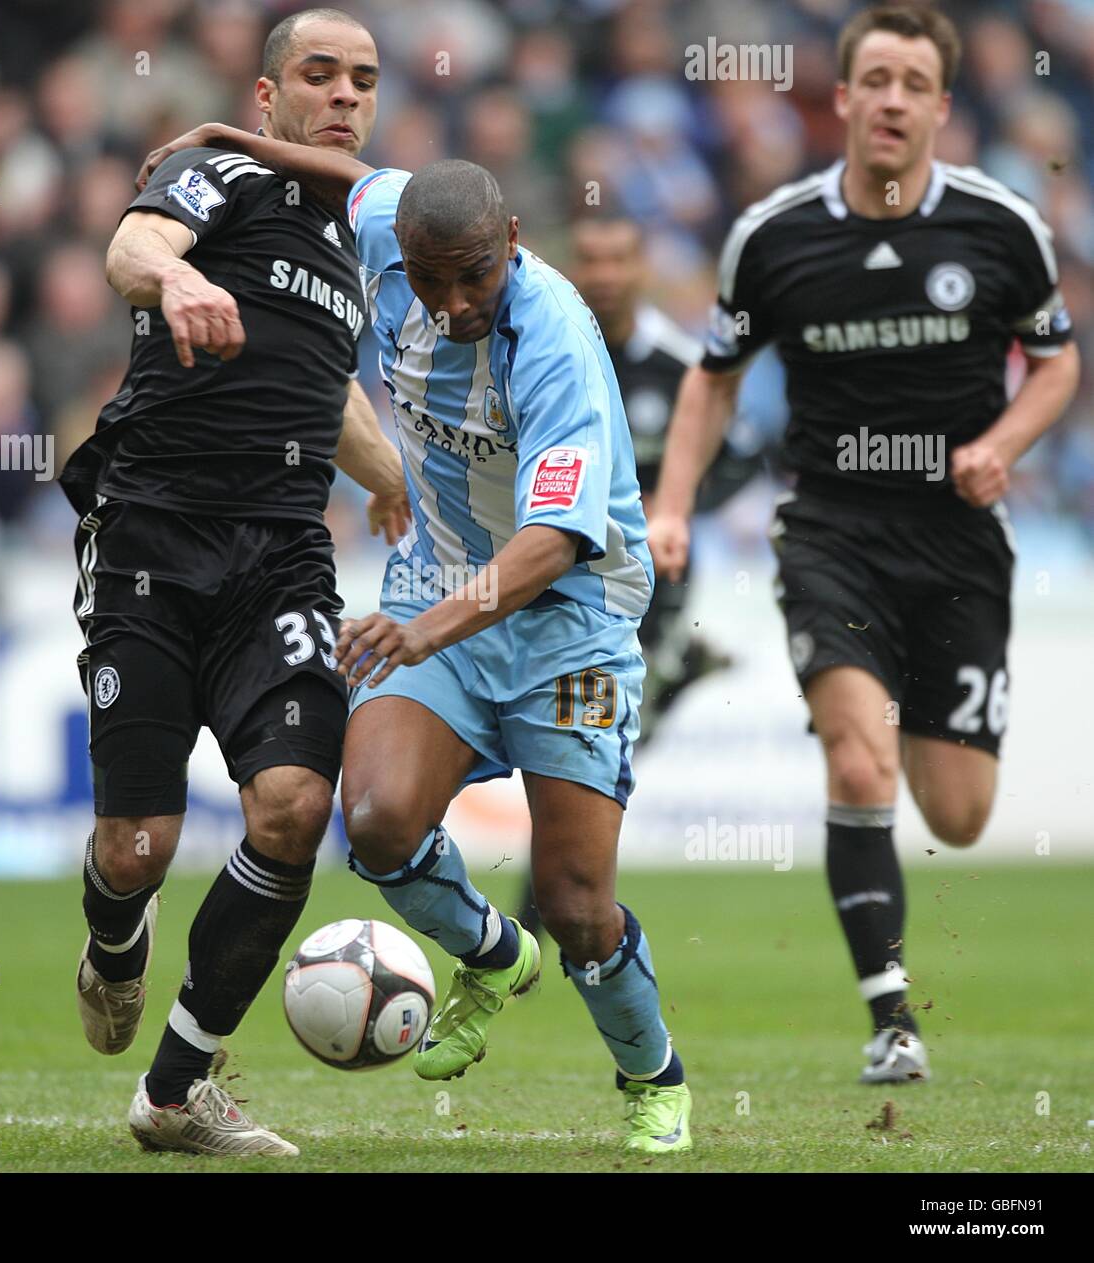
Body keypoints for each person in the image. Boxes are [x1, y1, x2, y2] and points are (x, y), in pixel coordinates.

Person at [139, 125, 695, 1156]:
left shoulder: (557, 343)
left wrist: (419, 630)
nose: (448, 303)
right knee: (380, 818)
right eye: (429, 280)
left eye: (471, 277)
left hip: (567, 623)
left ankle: (650, 1074)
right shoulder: (401, 225)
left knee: (577, 908)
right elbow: (352, 176)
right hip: (438, 588)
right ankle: (489, 956)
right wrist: (223, 137)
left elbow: (552, 543)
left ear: (513, 243)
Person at [650, 3, 1078, 1083]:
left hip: (958, 545)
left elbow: (1060, 364)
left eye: (912, 83)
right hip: (831, 533)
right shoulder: (774, 235)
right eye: (872, 79)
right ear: (842, 99)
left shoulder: (1000, 227)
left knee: (960, 813)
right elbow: (710, 382)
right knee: (856, 754)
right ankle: (891, 1017)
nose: (890, 99)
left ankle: (896, 983)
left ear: (941, 104)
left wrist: (1002, 441)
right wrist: (669, 503)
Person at [60, 8, 407, 1159]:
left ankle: (175, 1091)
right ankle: (116, 939)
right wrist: (173, 280)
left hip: (283, 559)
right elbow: (129, 248)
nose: (345, 96)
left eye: (363, 79)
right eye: (320, 75)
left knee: (297, 808)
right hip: (155, 542)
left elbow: (331, 383)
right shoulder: (222, 170)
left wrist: (390, 477)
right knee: (136, 846)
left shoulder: (360, 236)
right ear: (269, 97)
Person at [511, 215, 764, 940]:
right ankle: (545, 912)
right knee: (566, 744)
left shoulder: (678, 364)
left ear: (642, 264)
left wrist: (673, 505)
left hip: (646, 595)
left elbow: (743, 458)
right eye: (590, 259)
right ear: (572, 266)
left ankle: (538, 919)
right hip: (548, 583)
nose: (606, 275)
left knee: (593, 748)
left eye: (620, 258)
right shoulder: (539, 351)